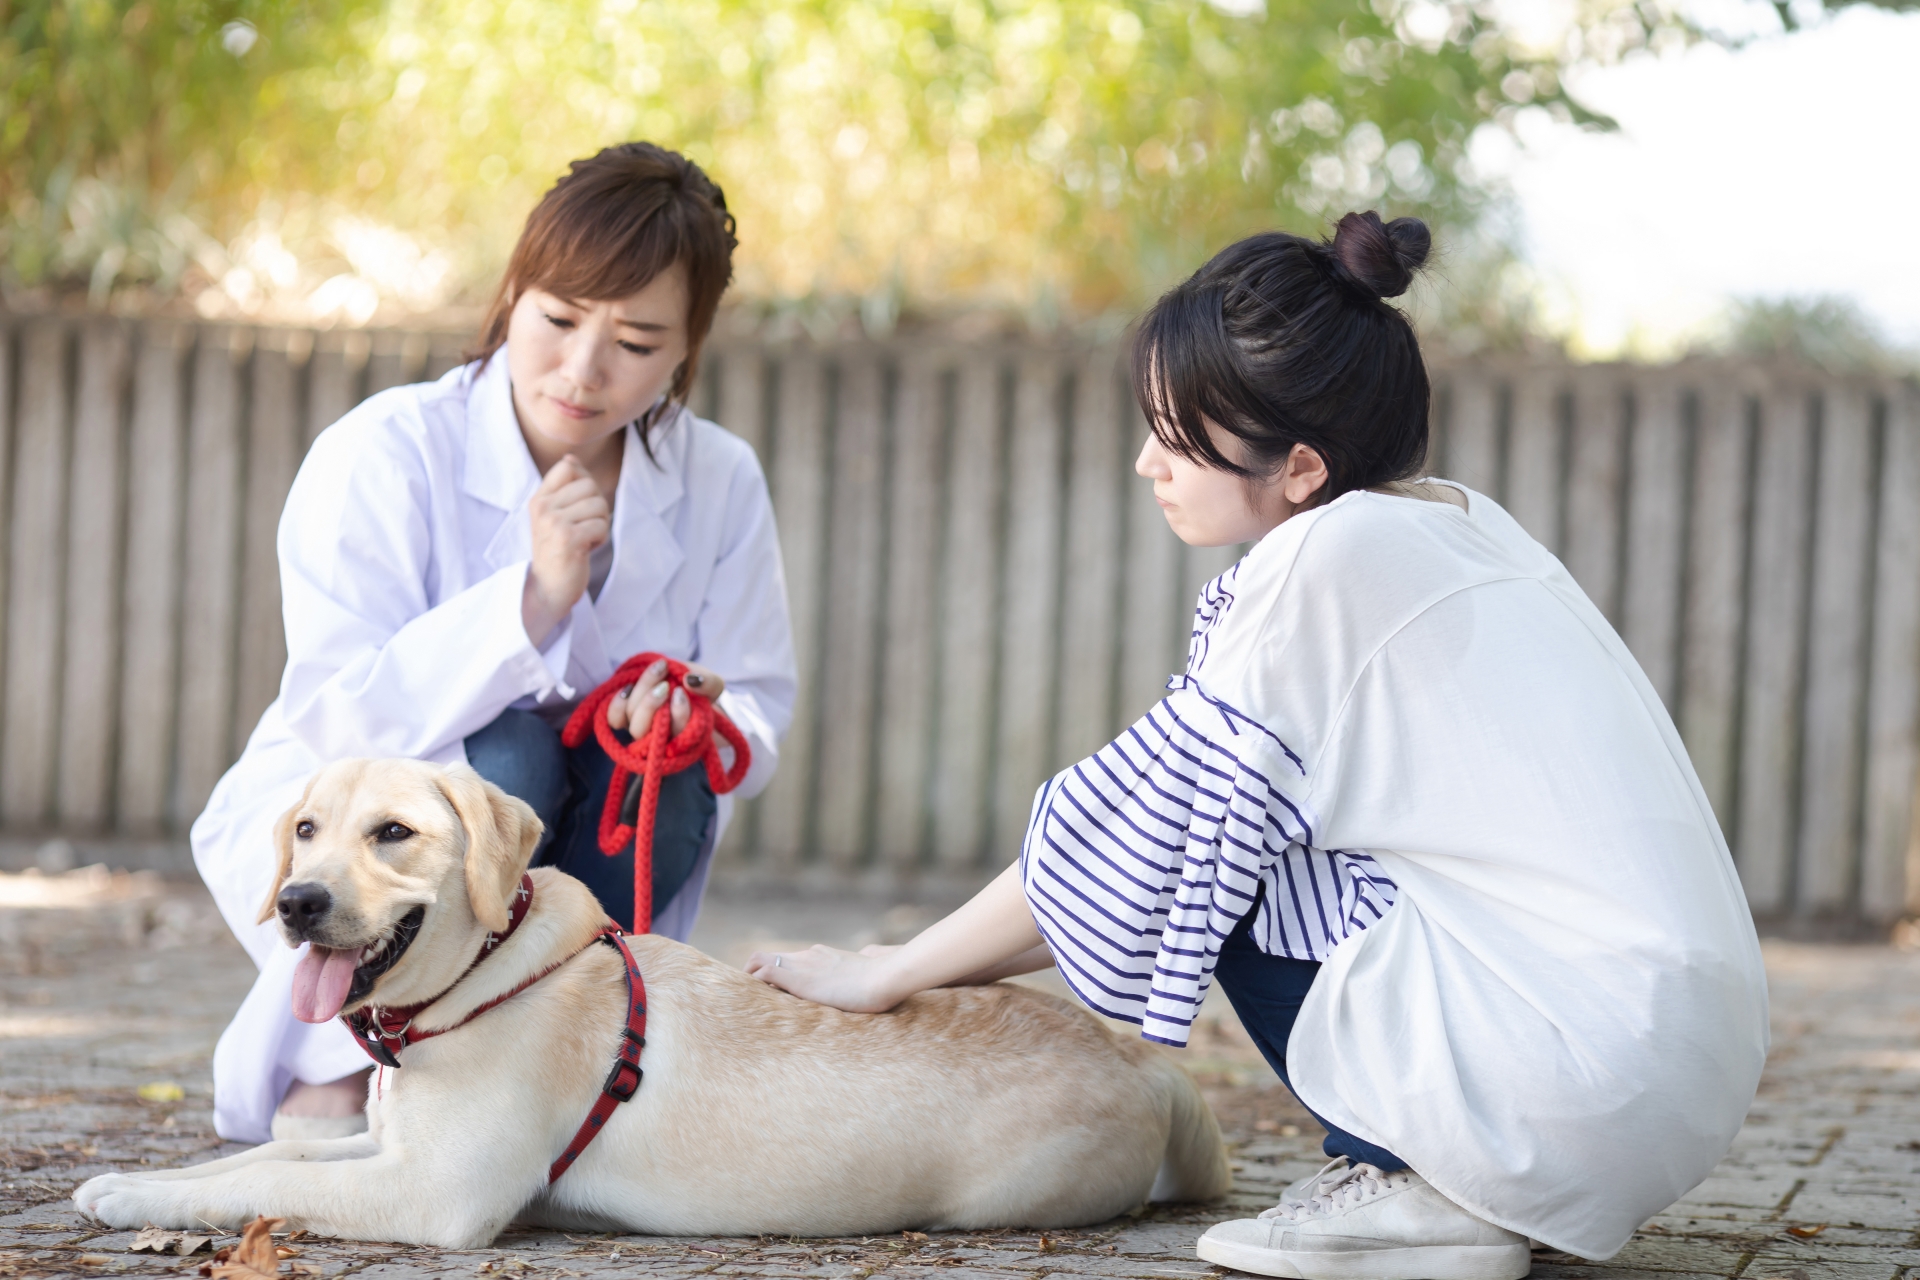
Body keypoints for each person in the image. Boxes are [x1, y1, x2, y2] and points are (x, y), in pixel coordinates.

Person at [747, 212, 1767, 1278]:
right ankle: (1470, 1177)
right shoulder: (1458, 522)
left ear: (1302, 467)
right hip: (1665, 1066)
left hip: (1569, 1069)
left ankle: (1415, 1184)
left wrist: (888, 970)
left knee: (1223, 829)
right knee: (1242, 809)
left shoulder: (1327, 559)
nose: (1148, 461)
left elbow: (1135, 832)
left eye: (1180, 433)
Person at [195, 142, 797, 1145]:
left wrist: (691, 713)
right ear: (512, 293)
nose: (583, 370)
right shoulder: (382, 451)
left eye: (639, 343)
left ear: (689, 347)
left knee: (666, 775)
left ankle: (565, 1066)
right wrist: (531, 600)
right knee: (509, 762)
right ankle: (361, 1047)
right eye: (558, 320)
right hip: (400, 819)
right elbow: (341, 711)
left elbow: (759, 698)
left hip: (601, 829)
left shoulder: (721, 477)